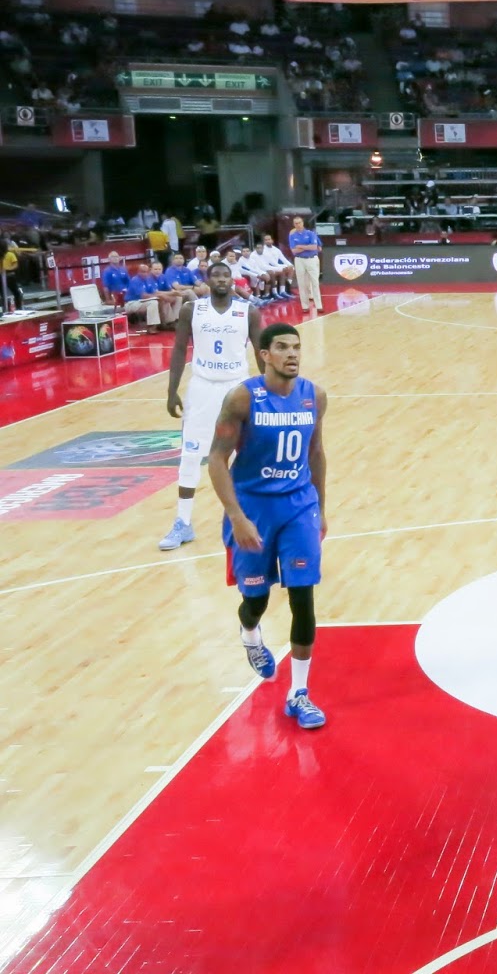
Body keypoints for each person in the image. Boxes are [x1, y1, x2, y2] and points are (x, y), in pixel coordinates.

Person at [208, 323, 329, 729]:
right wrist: (236, 516)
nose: (292, 354)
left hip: (298, 507)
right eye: (282, 347)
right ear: (265, 354)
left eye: (296, 347)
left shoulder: (315, 396)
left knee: (302, 596)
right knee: (256, 600)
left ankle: (299, 693)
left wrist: (321, 509)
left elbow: (316, 453)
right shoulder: (243, 398)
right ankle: (249, 632)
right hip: (253, 508)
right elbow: (216, 459)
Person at [159, 263, 263, 550]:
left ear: (232, 280)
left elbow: (260, 351)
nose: (221, 279)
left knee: (249, 454)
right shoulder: (192, 310)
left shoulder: (248, 311)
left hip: (237, 387)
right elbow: (179, 349)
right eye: (216, 275)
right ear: (207, 280)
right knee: (191, 455)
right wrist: (172, 391)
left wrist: (270, 392)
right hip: (202, 387)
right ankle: (183, 523)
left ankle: (252, 518)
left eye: (225, 275)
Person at [287, 216, 322, 314]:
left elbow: (314, 247)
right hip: (299, 260)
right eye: (296, 223)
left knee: (315, 282)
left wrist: (301, 246)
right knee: (302, 283)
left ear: (303, 223)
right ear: (294, 225)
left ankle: (319, 305)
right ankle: (305, 306)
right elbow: (294, 251)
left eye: (299, 223)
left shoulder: (311, 233)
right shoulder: (292, 236)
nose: (298, 225)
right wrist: (307, 247)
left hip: (311, 259)